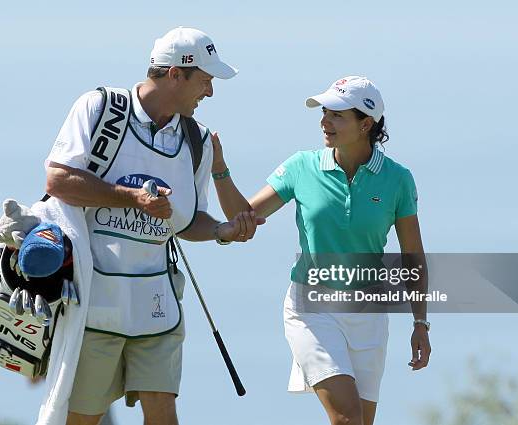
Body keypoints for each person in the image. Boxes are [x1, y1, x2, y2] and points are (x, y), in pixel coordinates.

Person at [43, 27, 262, 425]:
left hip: (157, 306)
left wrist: (218, 232)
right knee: (82, 417)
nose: (209, 93)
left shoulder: (197, 140)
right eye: (206, 81)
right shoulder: (101, 108)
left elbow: (188, 220)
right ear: (176, 74)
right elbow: (58, 181)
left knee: (163, 412)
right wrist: (132, 198)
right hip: (94, 304)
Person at [209, 76, 431, 425]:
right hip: (311, 308)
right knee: (347, 418)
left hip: (369, 312)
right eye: (325, 112)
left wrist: (421, 323)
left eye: (337, 115)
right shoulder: (302, 166)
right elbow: (243, 219)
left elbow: (413, 256)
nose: (324, 121)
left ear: (366, 124)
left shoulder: (398, 179)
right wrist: (219, 168)